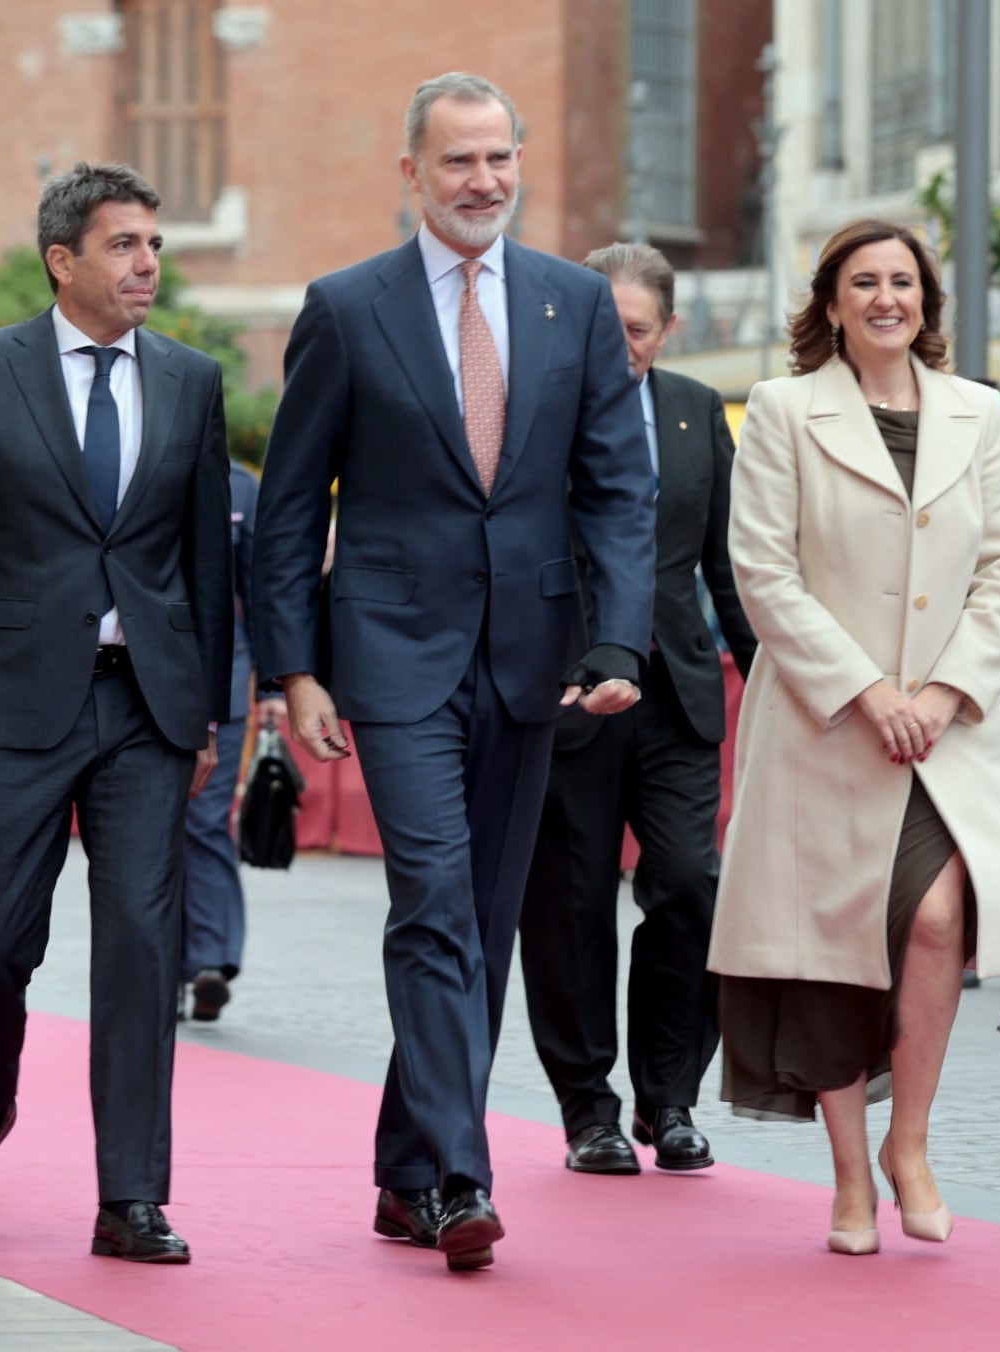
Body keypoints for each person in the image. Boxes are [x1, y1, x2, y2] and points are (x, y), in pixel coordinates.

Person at [252, 72, 656, 1271]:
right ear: (412, 172)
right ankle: (461, 1173)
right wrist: (295, 669)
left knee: (481, 917)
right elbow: (287, 505)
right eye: (458, 162)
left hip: (532, 656)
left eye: (499, 159)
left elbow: (617, 490)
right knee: (432, 900)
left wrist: (618, 637)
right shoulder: (347, 305)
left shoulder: (574, 303)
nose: (483, 181)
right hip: (390, 652)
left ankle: (403, 1165)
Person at [0, 163, 232, 1262]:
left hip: (144, 708)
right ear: (63, 260)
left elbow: (202, 564)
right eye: (125, 244)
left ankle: (131, 1194)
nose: (147, 264)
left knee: (143, 944)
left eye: (154, 244)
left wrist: (212, 709)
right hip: (3, 708)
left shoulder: (191, 379)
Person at [710, 218, 1000, 1255]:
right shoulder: (783, 409)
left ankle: (912, 1144)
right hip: (824, 725)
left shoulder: (979, 411)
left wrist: (940, 693)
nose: (887, 296)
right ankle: (850, 1173)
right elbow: (763, 570)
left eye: (904, 281)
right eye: (865, 282)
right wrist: (864, 688)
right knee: (831, 952)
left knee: (938, 919)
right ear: (834, 302)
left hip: (944, 729)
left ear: (926, 300)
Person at [517, 242, 757, 1177]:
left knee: (690, 887)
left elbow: (729, 565)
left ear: (669, 330)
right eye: (605, 329)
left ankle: (671, 1096)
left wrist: (769, 677)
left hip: (679, 696)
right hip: (569, 697)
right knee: (570, 907)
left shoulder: (697, 411)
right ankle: (589, 1109)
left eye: (640, 332)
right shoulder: (538, 407)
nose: (622, 349)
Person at [179, 460, 280, 1022]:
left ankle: (210, 960)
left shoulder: (241, 485)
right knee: (148, 834)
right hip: (141, 681)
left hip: (225, 686)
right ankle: (160, 969)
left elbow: (261, 589)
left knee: (206, 823)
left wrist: (273, 685)